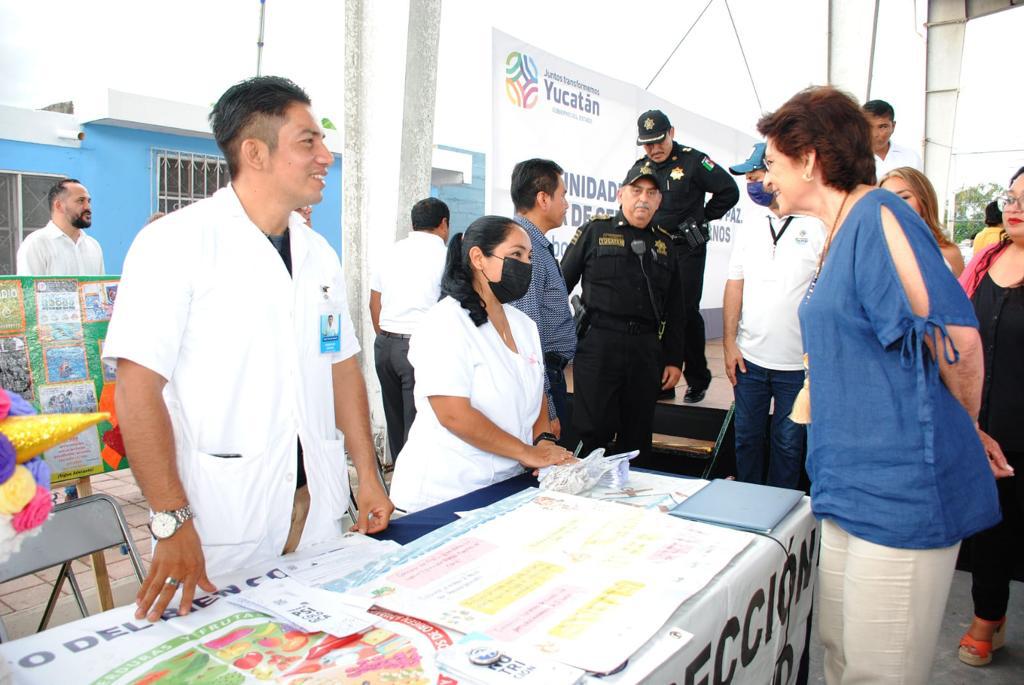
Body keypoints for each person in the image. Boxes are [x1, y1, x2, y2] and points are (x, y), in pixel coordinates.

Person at [104, 76, 394, 622]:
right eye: (307, 141)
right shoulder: (177, 244)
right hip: (219, 519)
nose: (325, 156)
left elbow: (341, 367)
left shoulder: (318, 254)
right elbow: (137, 389)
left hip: (317, 509)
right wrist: (170, 518)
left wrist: (369, 475)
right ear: (255, 152)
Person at [758, 85, 1003, 684]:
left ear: (810, 158)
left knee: (879, 674)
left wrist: (965, 427)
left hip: (901, 493)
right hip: (847, 485)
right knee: (840, 661)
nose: (768, 178)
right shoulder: (838, 229)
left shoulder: (881, 215)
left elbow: (960, 342)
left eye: (772, 163)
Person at [388, 216, 574, 513]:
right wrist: (527, 453)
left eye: (529, 257)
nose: (526, 265)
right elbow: (454, 415)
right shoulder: (445, 322)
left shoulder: (524, 325)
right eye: (516, 255)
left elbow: (535, 390)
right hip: (444, 496)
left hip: (504, 487)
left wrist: (544, 441)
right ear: (478, 258)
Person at [561, 168, 684, 461]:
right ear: (620, 195)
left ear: (659, 201)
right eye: (636, 191)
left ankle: (631, 497)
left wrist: (673, 359)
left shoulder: (665, 244)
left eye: (651, 193)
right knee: (593, 429)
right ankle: (587, 499)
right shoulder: (595, 231)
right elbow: (561, 283)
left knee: (638, 433)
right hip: (599, 345)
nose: (643, 199)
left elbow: (676, 307)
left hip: (645, 348)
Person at [723, 143, 824, 489]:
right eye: (748, 178)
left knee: (788, 444)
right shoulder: (750, 225)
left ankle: (781, 512)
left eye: (756, 175)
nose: (752, 184)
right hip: (750, 360)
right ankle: (748, 505)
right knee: (746, 440)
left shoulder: (818, 226)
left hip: (797, 366)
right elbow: (735, 284)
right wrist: (728, 343)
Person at [956, 166, 1023, 667]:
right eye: (1012, 196)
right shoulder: (986, 259)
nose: (1014, 207)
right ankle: (987, 618)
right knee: (989, 523)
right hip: (984, 423)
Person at [632, 110, 739, 403]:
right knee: (655, 311)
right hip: (655, 250)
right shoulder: (641, 167)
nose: (654, 149)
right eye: (647, 144)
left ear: (672, 133)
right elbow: (630, 200)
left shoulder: (694, 161)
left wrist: (702, 218)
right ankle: (661, 379)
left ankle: (697, 379)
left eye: (658, 141)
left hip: (686, 249)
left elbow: (729, 191)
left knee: (685, 310)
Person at [369, 197, 449, 461]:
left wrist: (385, 338)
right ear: (443, 224)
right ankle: (410, 495)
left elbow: (375, 301)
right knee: (419, 429)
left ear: (413, 224)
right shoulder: (445, 256)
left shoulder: (390, 252)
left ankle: (397, 491)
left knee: (396, 424)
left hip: (385, 346)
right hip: (418, 350)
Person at [508, 159, 576, 435]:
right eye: (563, 195)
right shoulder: (525, 248)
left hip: (547, 376)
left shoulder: (531, 242)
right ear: (543, 199)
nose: (567, 204)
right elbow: (526, 336)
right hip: (540, 379)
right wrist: (546, 409)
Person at [880, 166, 965, 276]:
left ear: (924, 202)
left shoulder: (949, 254)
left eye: (904, 197)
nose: (894, 204)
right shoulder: (871, 253)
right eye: (886, 199)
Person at [17, 178, 104, 275]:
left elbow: (101, 288)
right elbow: (27, 289)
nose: (88, 207)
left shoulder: (93, 246)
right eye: (81, 201)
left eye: (88, 201)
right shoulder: (36, 244)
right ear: (58, 205)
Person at [863, 99, 923, 178]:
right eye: (869, 127)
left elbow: (918, 189)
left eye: (882, 127)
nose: (875, 134)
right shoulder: (850, 159)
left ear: (893, 126)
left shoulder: (911, 158)